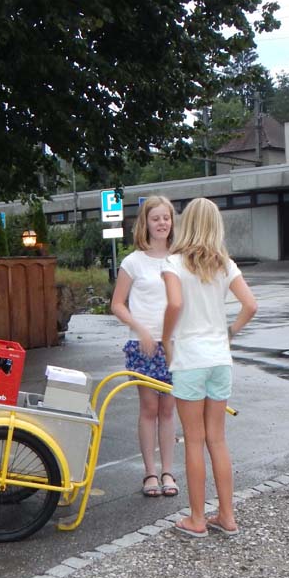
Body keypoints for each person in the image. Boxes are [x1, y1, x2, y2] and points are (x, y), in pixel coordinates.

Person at [160, 197, 258, 538]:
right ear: (216, 225)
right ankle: (227, 516)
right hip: (219, 359)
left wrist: (165, 337)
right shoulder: (225, 264)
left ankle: (197, 519)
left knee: (193, 440)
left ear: (186, 223)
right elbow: (250, 305)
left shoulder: (173, 263)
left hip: (189, 359)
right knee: (218, 439)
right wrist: (228, 333)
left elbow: (174, 303)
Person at [110, 195, 179, 498]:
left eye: (166, 218)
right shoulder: (133, 261)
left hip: (175, 344)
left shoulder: (180, 257)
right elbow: (117, 304)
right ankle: (149, 472)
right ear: (145, 223)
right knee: (149, 408)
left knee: (168, 409)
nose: (162, 223)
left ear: (172, 221)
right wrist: (140, 329)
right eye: (156, 218)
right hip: (143, 344)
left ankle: (168, 471)